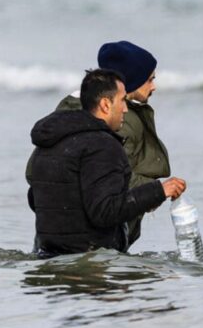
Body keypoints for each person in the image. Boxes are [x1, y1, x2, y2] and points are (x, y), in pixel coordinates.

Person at [27, 68, 186, 257]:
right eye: (121, 101)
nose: (126, 109)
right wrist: (158, 191)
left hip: (46, 257)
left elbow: (34, 197)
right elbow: (106, 212)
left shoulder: (50, 141)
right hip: (89, 267)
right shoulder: (103, 145)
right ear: (105, 104)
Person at [55, 41, 171, 246]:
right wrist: (157, 191)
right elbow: (112, 178)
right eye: (149, 79)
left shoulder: (69, 110)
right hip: (99, 239)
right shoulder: (121, 120)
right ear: (130, 82)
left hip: (61, 235)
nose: (153, 86)